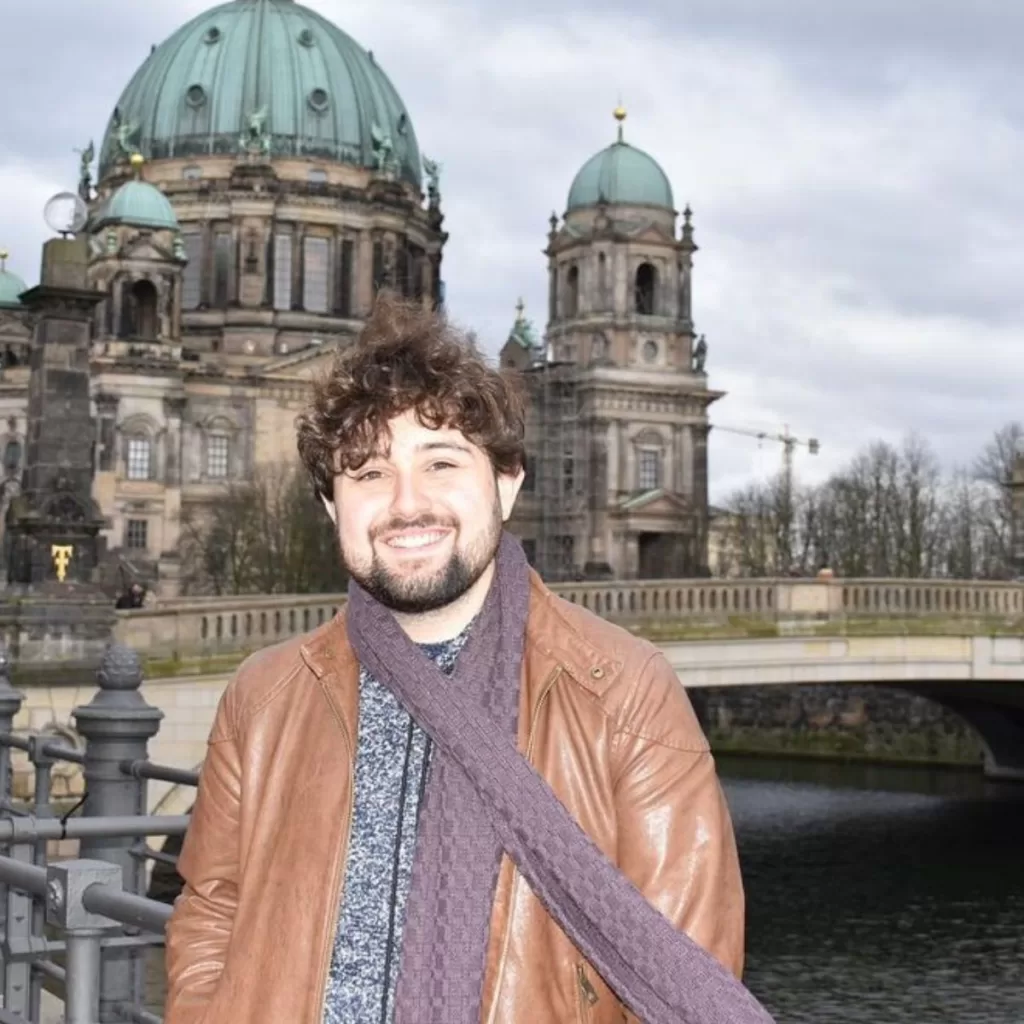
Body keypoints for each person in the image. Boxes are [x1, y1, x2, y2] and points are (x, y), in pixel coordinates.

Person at [165, 295, 766, 1024]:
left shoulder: (627, 691)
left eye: (442, 463)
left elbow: (689, 965)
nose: (407, 504)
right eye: (368, 473)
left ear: (507, 481)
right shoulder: (262, 696)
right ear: (330, 505)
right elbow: (212, 909)